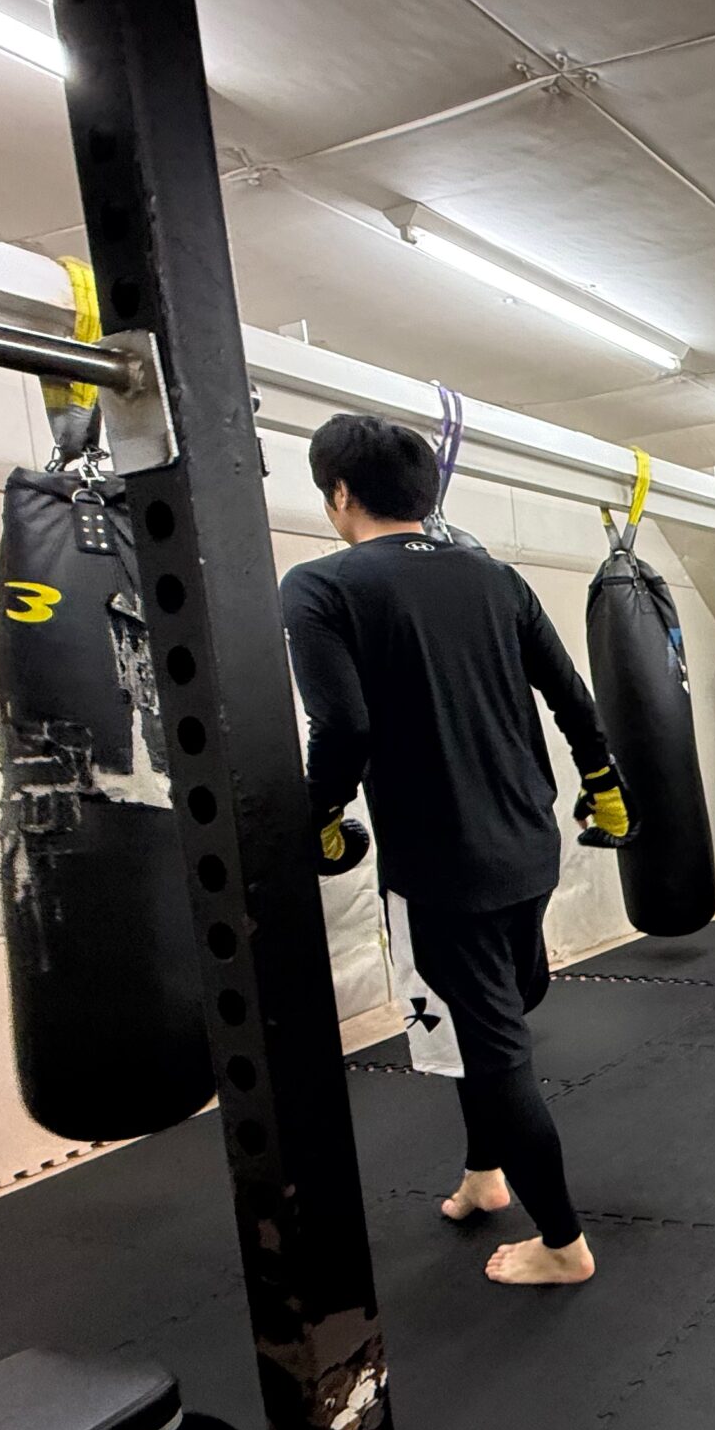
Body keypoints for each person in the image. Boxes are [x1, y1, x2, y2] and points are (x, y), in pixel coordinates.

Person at [282, 412, 629, 1287]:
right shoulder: (496, 578)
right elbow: (573, 697)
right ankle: (484, 1174)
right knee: (484, 1025)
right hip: (528, 843)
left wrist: (318, 815)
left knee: (493, 1049)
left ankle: (563, 1245)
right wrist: (605, 785)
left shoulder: (319, 586)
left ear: (340, 494)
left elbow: (342, 725)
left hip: (442, 868)